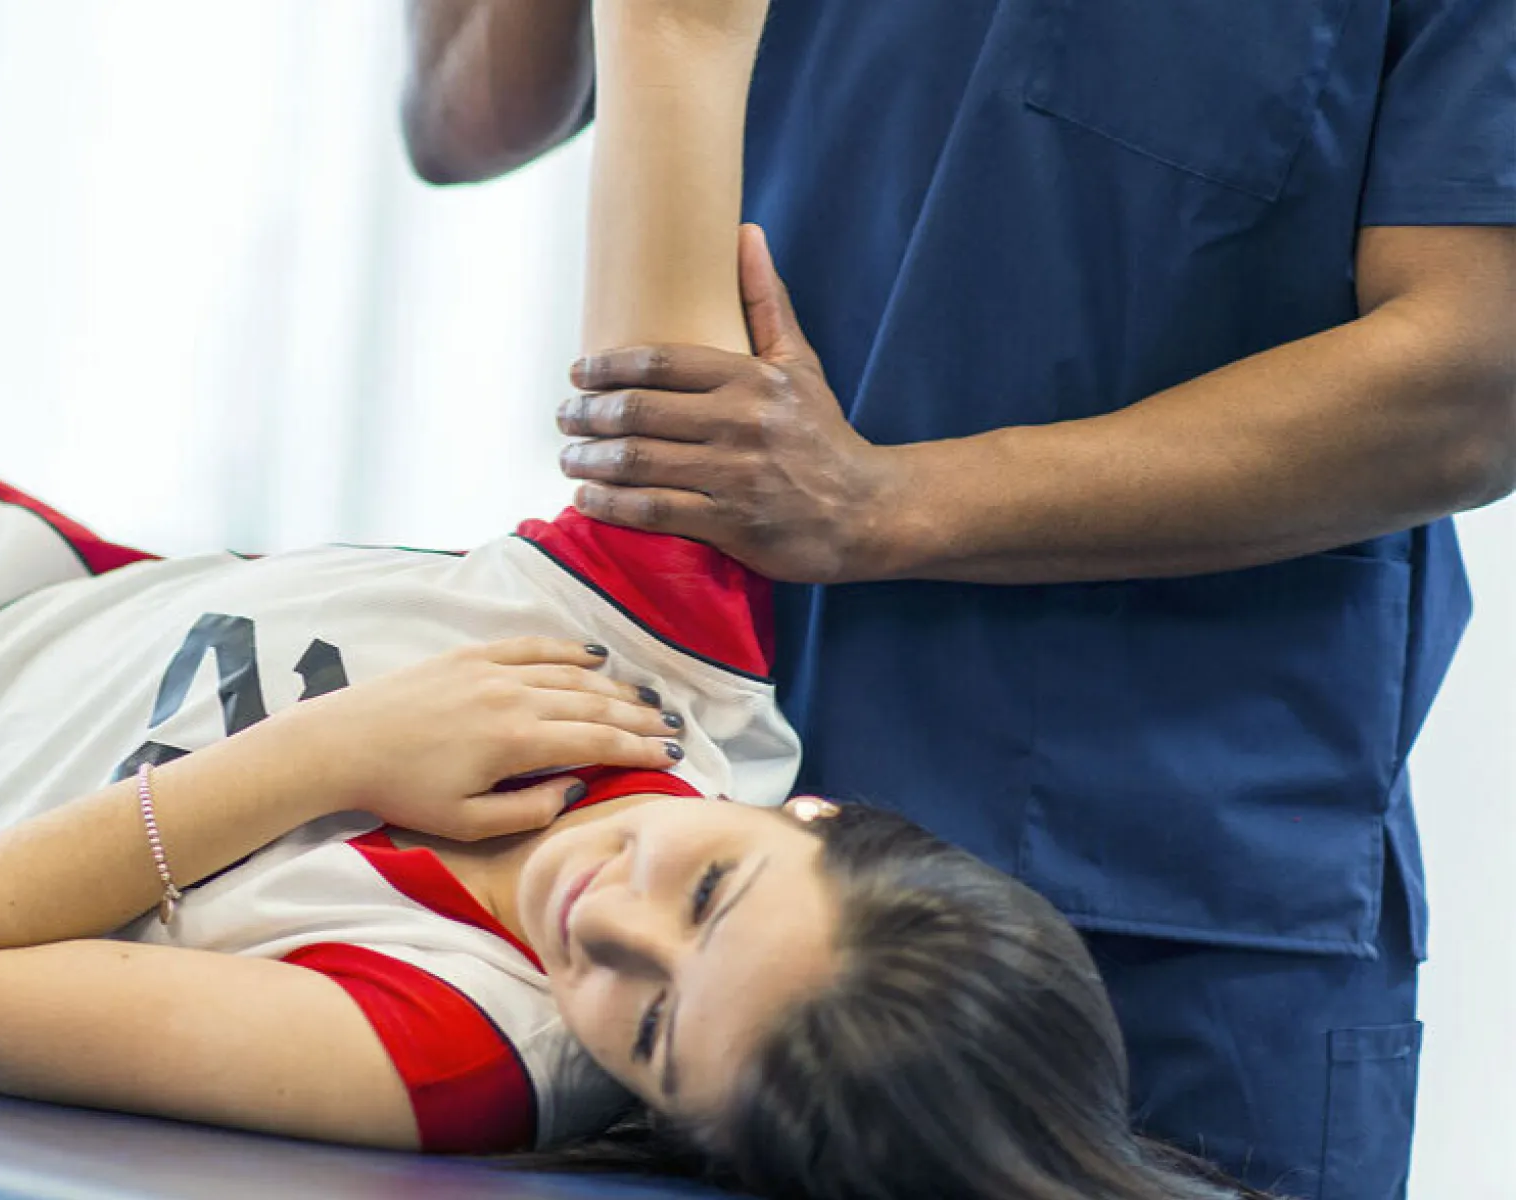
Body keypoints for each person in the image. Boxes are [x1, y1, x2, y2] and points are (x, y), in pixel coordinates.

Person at [0, 3, 1282, 1197]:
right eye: (708, 895)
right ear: (817, 821)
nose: (606, 925)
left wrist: (329, 756)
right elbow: (674, 31)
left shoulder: (451, 1043)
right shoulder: (664, 636)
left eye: (650, 1034)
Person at [406, 2, 1516, 1195]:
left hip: (1169, 893)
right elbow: (461, 115)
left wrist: (883, 505)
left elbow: (1473, 380)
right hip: (693, 853)